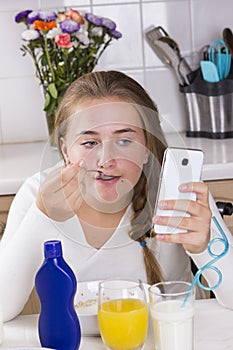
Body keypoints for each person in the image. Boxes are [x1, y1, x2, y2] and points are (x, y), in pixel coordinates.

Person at [0, 71, 232, 322]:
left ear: (146, 149)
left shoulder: (181, 191)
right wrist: (42, 216)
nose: (106, 160)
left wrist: (204, 247)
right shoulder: (38, 194)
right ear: (66, 150)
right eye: (90, 142)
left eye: (123, 141)